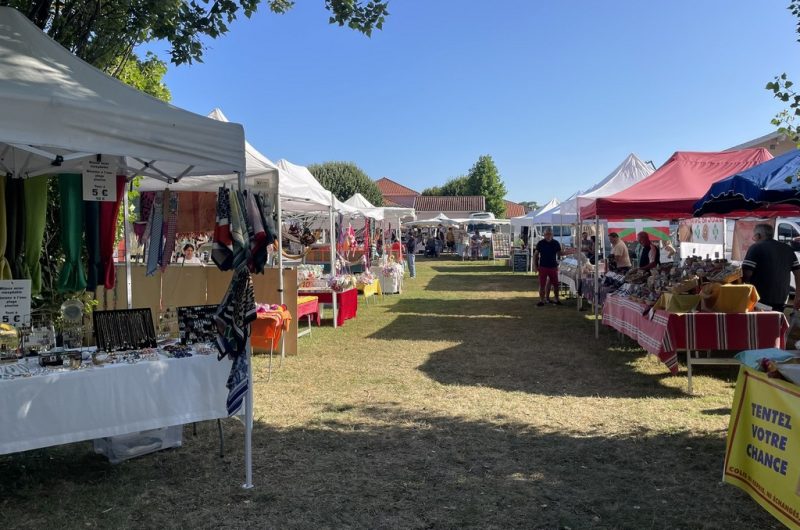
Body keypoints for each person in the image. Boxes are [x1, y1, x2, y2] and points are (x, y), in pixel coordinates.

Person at [742, 223, 800, 312]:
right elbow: (798, 274)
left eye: (754, 236)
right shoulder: (788, 248)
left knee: (761, 324)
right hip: (782, 298)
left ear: (758, 235)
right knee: (777, 322)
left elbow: (747, 274)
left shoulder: (756, 247)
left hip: (760, 299)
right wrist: (797, 296)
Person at [534, 228, 562, 306]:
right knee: (542, 285)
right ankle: (541, 300)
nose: (548, 236)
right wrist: (535, 266)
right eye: (546, 234)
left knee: (556, 285)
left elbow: (560, 254)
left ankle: (557, 299)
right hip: (543, 267)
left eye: (550, 234)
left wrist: (570, 251)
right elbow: (535, 255)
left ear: (552, 235)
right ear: (544, 235)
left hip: (553, 267)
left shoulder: (556, 243)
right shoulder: (540, 243)